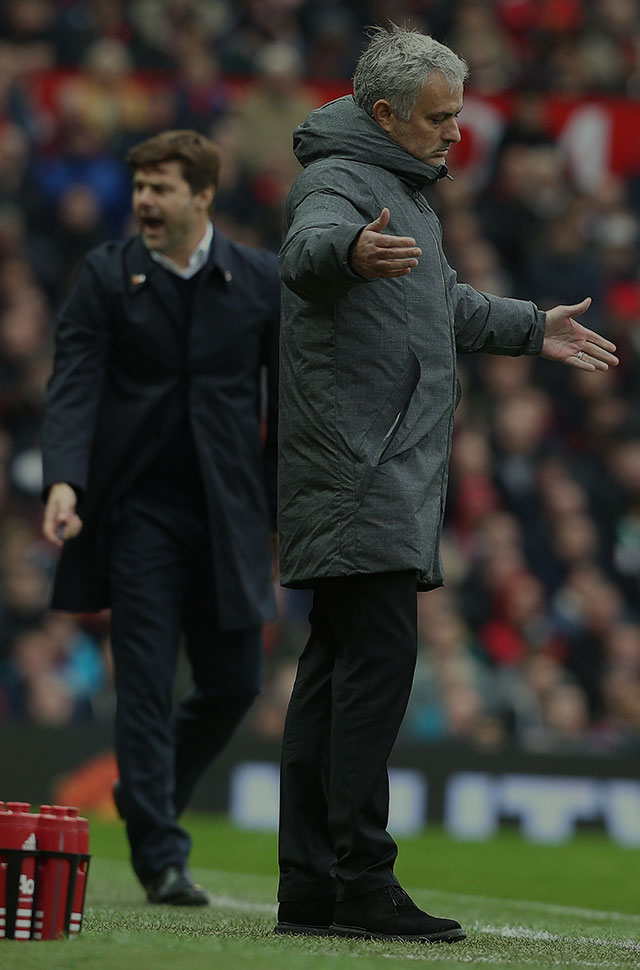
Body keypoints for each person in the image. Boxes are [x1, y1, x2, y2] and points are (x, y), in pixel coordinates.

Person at [274, 24, 618, 944]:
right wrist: (347, 253)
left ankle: (309, 882)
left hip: (379, 467)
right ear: (384, 115)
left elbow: (443, 303)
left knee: (334, 676)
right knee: (375, 673)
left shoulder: (405, 191)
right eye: (439, 117)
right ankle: (360, 881)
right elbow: (306, 253)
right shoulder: (339, 184)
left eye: (459, 114)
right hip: (362, 468)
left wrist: (530, 324)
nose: (457, 132)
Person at [41, 130, 279, 905]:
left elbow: (293, 393)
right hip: (137, 514)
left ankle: (145, 804)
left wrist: (286, 493)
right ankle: (161, 857)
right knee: (143, 684)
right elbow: (73, 383)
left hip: (229, 512)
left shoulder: (257, 279)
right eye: (139, 185)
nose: (144, 199)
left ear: (203, 195)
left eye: (162, 186)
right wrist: (65, 483)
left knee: (235, 681)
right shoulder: (108, 276)